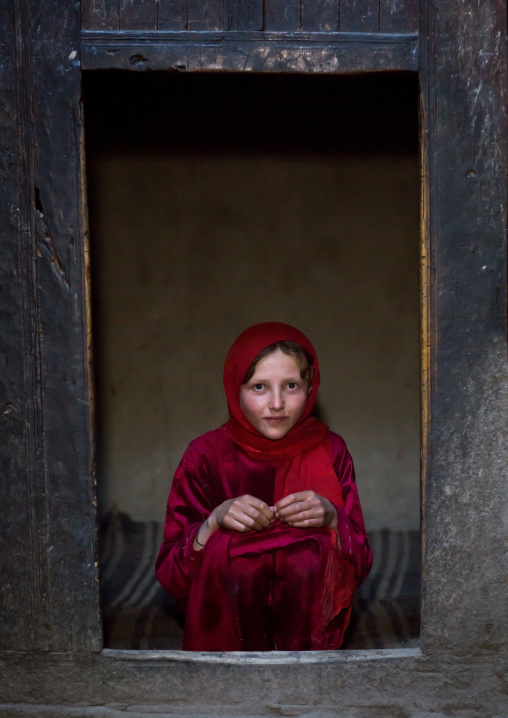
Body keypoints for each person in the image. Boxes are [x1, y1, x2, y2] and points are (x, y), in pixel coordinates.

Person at [155, 322, 372, 651]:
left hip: (310, 656)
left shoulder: (330, 451)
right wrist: (214, 522)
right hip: (226, 652)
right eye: (259, 387)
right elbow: (173, 576)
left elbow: (361, 563)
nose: (276, 403)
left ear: (310, 387)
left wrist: (332, 518)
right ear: (234, 389)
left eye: (291, 385)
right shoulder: (205, 457)